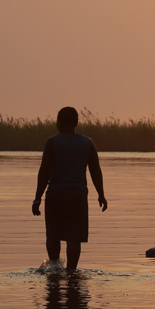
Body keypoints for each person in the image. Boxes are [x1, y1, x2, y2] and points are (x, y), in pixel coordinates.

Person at [32, 107, 108, 272]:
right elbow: (96, 171)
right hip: (77, 195)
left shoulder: (51, 142)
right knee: (74, 237)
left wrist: (37, 198)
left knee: (53, 235)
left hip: (56, 195)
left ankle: (54, 267)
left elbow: (44, 172)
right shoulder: (87, 142)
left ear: (59, 122)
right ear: (76, 123)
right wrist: (101, 195)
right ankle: (71, 272)